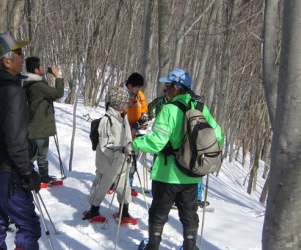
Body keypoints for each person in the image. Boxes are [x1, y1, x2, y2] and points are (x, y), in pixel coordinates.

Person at [130, 69, 224, 250]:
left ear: (175, 88)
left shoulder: (169, 109)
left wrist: (135, 144)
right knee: (189, 213)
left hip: (167, 173)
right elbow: (218, 136)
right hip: (192, 173)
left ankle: (153, 246)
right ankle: (190, 247)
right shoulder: (201, 108)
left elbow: (157, 143)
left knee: (159, 212)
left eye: (166, 87)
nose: (165, 91)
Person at [0, 31, 42, 250]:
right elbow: (15, 140)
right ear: (6, 61)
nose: (23, 57)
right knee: (29, 227)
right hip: (6, 171)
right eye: (19, 53)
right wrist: (27, 172)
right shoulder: (11, 91)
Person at [82, 86, 134, 222]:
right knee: (102, 185)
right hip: (107, 161)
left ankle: (124, 211)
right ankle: (94, 210)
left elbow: (127, 137)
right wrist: (121, 150)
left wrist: (130, 147)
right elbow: (105, 146)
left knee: (124, 186)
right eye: (126, 102)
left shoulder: (123, 118)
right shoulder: (107, 120)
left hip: (122, 159)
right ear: (118, 103)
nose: (128, 104)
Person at [23, 57, 65, 184]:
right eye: (41, 67)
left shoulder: (33, 82)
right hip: (38, 126)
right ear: (36, 70)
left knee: (42, 153)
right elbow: (59, 93)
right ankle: (25, 177)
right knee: (34, 154)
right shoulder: (37, 85)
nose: (43, 68)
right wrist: (58, 76)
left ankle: (43, 177)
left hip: (41, 124)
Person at [120, 73, 148, 195]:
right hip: (122, 134)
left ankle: (128, 185)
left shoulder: (140, 95)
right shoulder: (120, 92)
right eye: (137, 87)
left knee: (132, 162)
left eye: (140, 88)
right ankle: (114, 183)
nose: (139, 90)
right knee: (119, 162)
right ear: (130, 85)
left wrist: (143, 118)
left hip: (136, 134)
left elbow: (144, 109)